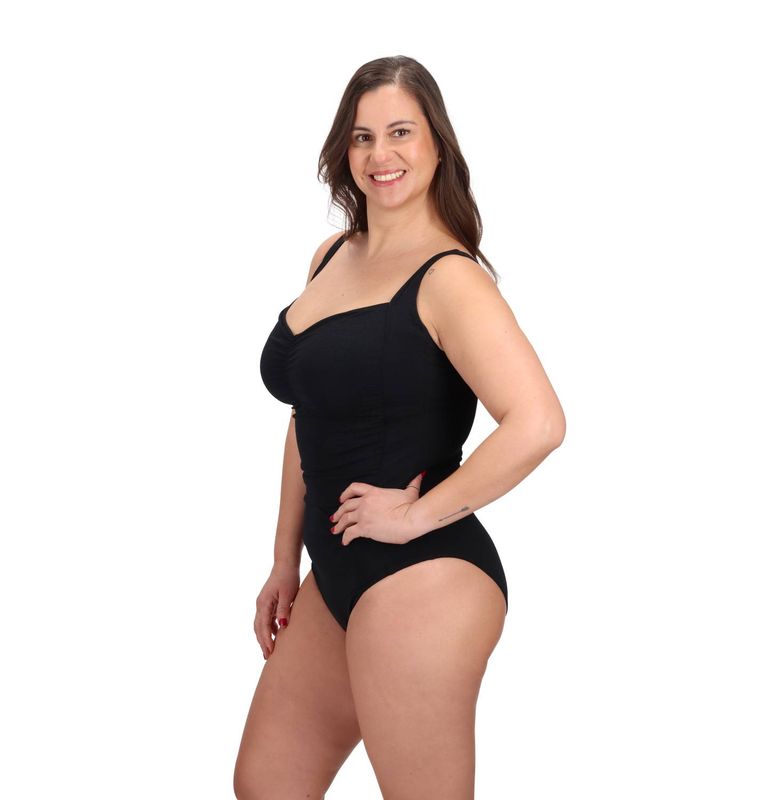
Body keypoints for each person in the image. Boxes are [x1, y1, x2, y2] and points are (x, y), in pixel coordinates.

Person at [234, 55, 566, 800]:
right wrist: (284, 561)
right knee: (267, 782)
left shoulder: (450, 278)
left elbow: (539, 422)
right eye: (362, 136)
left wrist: (415, 515)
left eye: (400, 132)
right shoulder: (331, 257)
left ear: (437, 144)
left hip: (425, 575)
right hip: (335, 570)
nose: (379, 154)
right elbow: (307, 415)